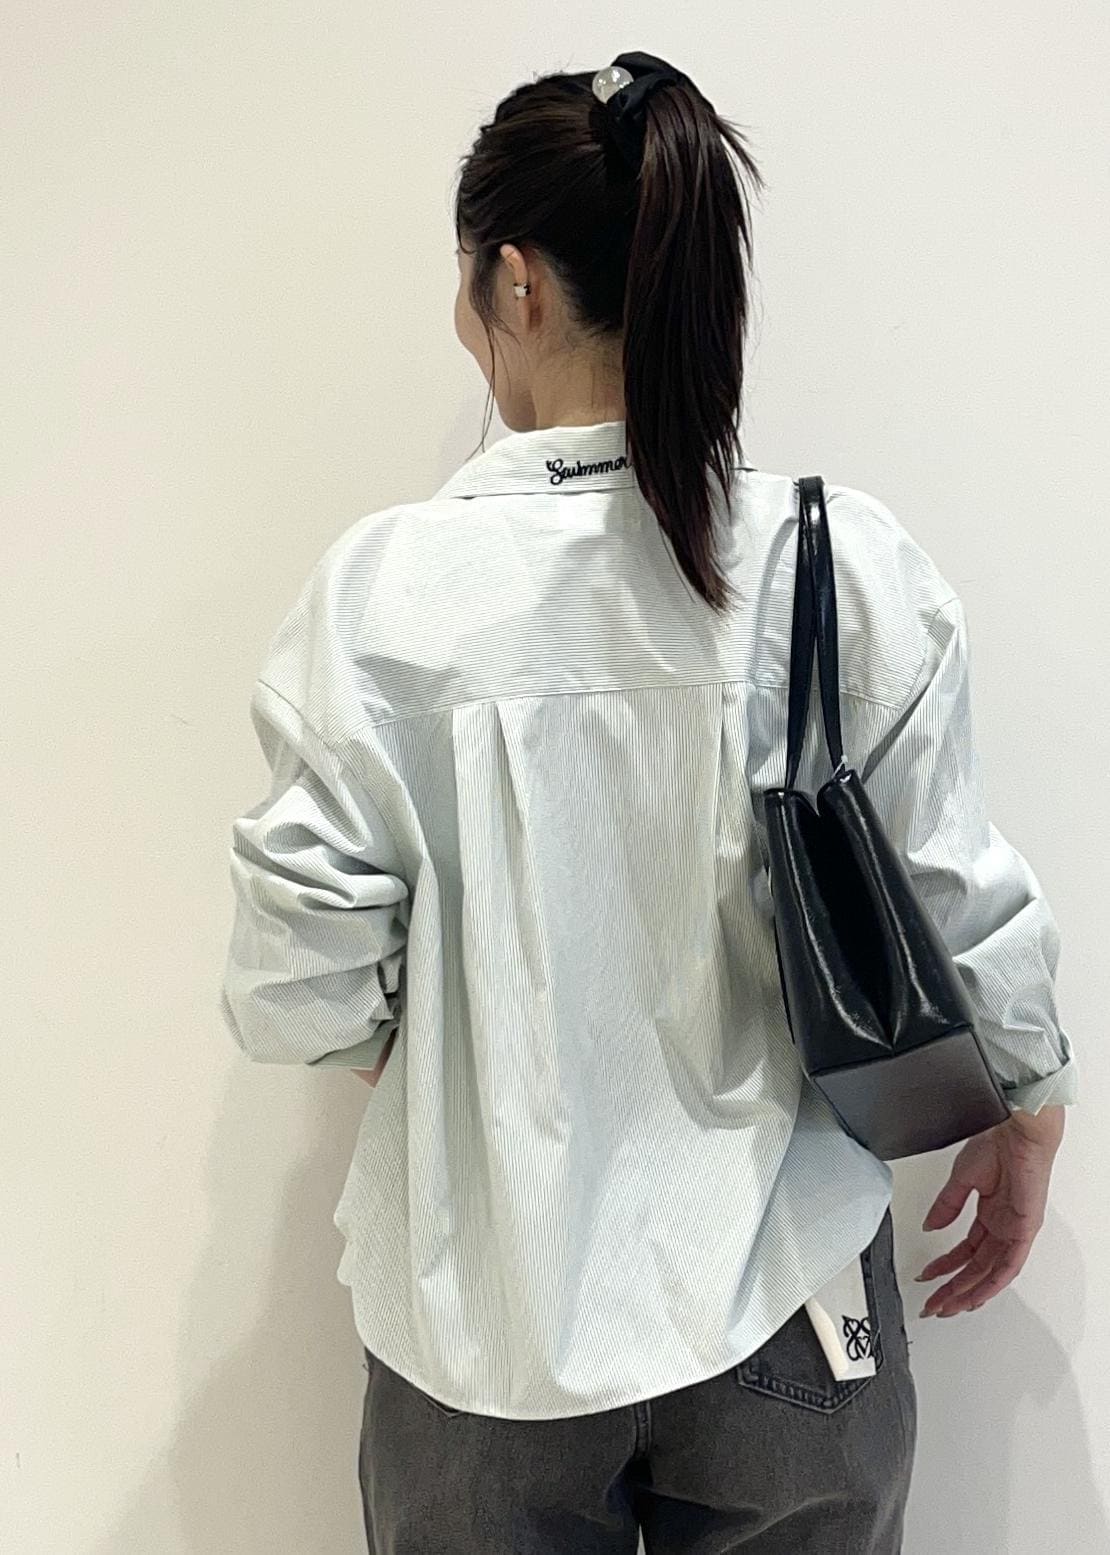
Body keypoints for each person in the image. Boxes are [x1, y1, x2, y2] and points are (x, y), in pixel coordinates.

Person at [219, 51, 1078, 1555]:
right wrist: (1030, 1112)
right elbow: (957, 894)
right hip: (793, 1302)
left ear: (513, 282)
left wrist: (449, 1079)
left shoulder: (380, 599)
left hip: (480, 1327)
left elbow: (296, 981)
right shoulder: (833, 562)